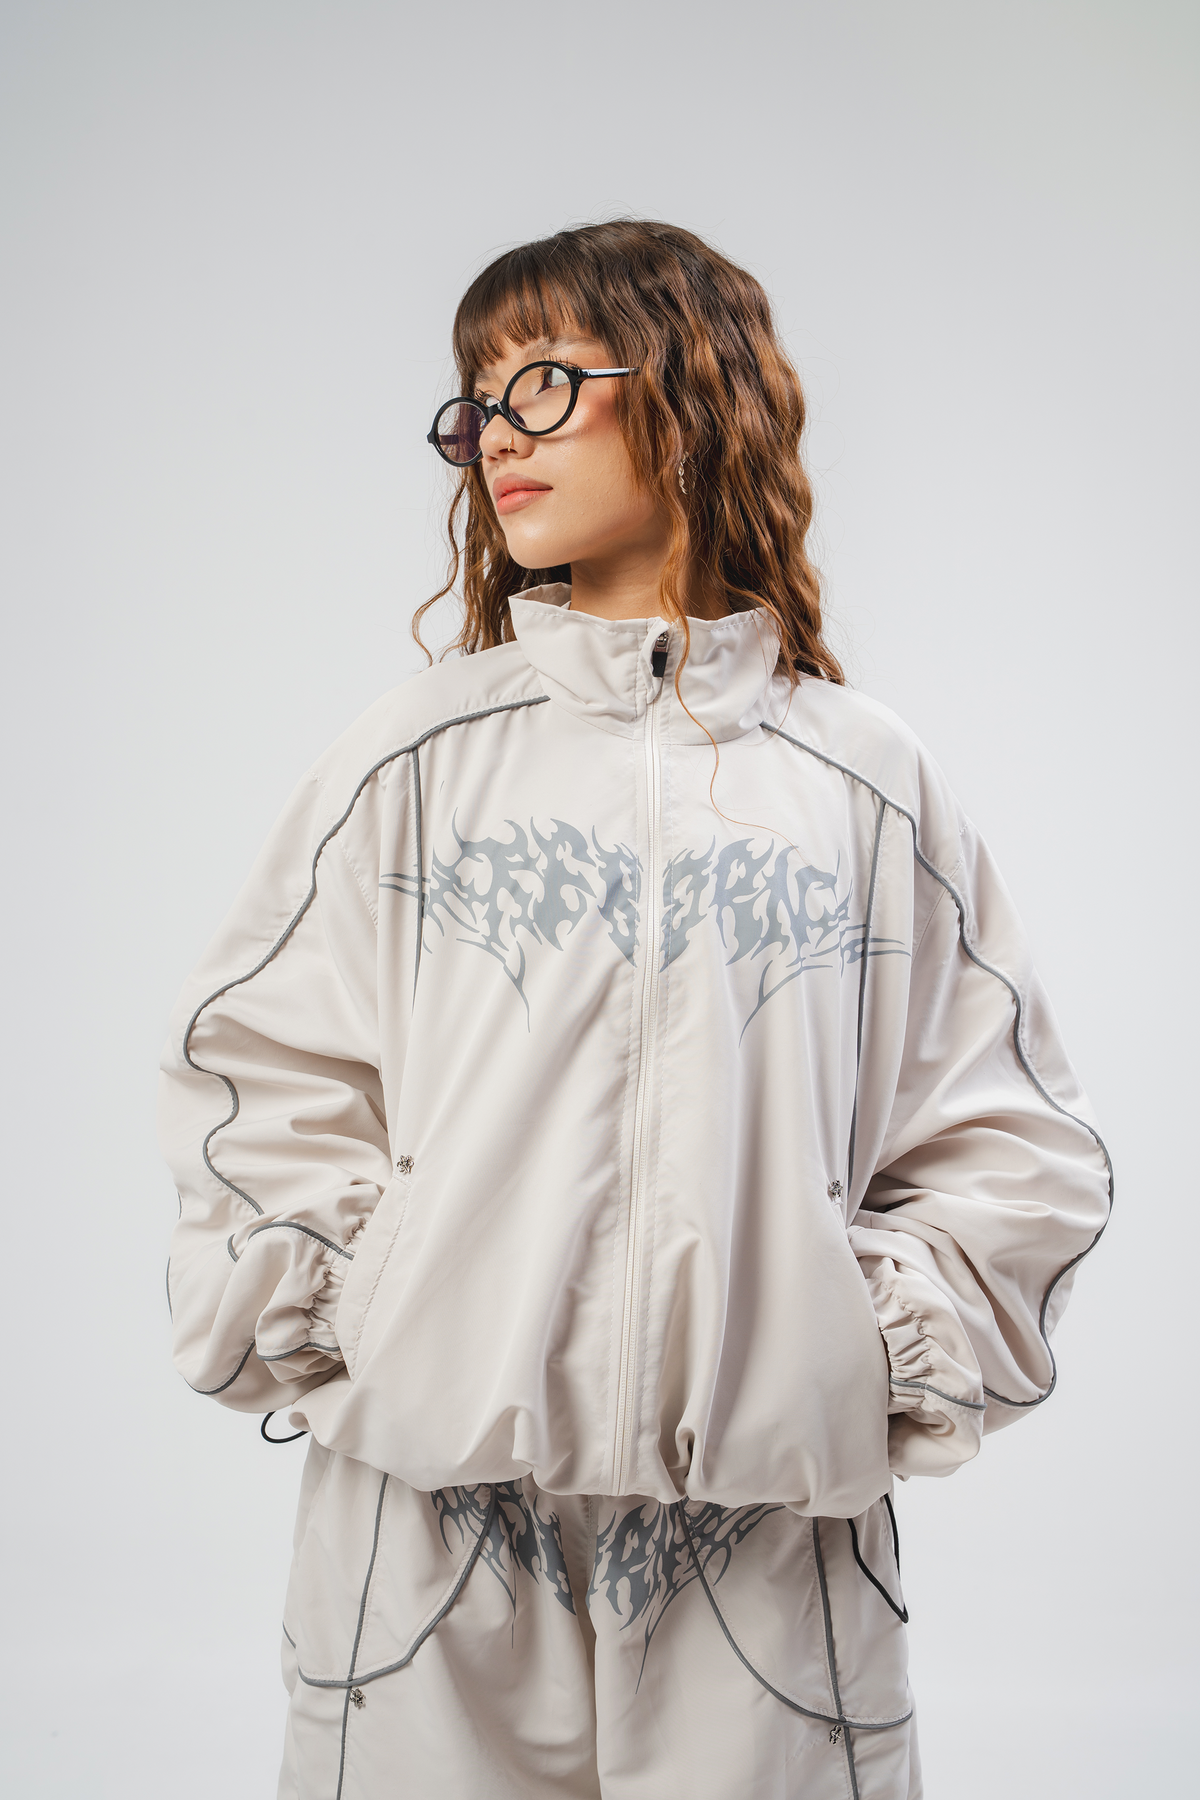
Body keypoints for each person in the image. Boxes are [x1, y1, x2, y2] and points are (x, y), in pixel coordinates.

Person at [159, 220, 1111, 1800]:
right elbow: (256, 1080)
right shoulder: (416, 760)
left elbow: (1009, 1135)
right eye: (476, 401)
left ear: (687, 392)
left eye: (541, 382)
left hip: (767, 1561)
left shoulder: (859, 781)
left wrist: (860, 1351)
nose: (495, 436)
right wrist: (363, 1310)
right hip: (433, 1547)